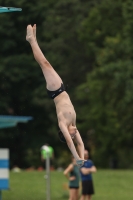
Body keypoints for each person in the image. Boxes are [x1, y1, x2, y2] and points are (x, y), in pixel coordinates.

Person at [26, 24, 85, 167]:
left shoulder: (63, 123)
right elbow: (81, 143)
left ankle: (31, 40)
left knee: (44, 64)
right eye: (73, 133)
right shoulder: (74, 125)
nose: (74, 133)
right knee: (45, 64)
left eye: (71, 134)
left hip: (55, 91)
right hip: (61, 88)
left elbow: (71, 143)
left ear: (65, 132)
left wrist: (75, 157)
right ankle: (33, 40)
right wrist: (82, 159)